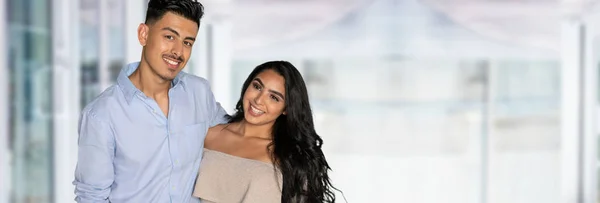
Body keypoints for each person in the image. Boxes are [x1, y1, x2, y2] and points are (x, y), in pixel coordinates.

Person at [73, 0, 227, 202]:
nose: (178, 51)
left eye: (187, 42)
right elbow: (91, 197)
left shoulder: (199, 92)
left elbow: (236, 135)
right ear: (143, 34)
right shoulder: (101, 115)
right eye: (169, 36)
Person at [192, 61, 339, 203]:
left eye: (274, 97)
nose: (259, 100)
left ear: (287, 109)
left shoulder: (289, 155)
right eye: (257, 86)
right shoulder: (208, 134)